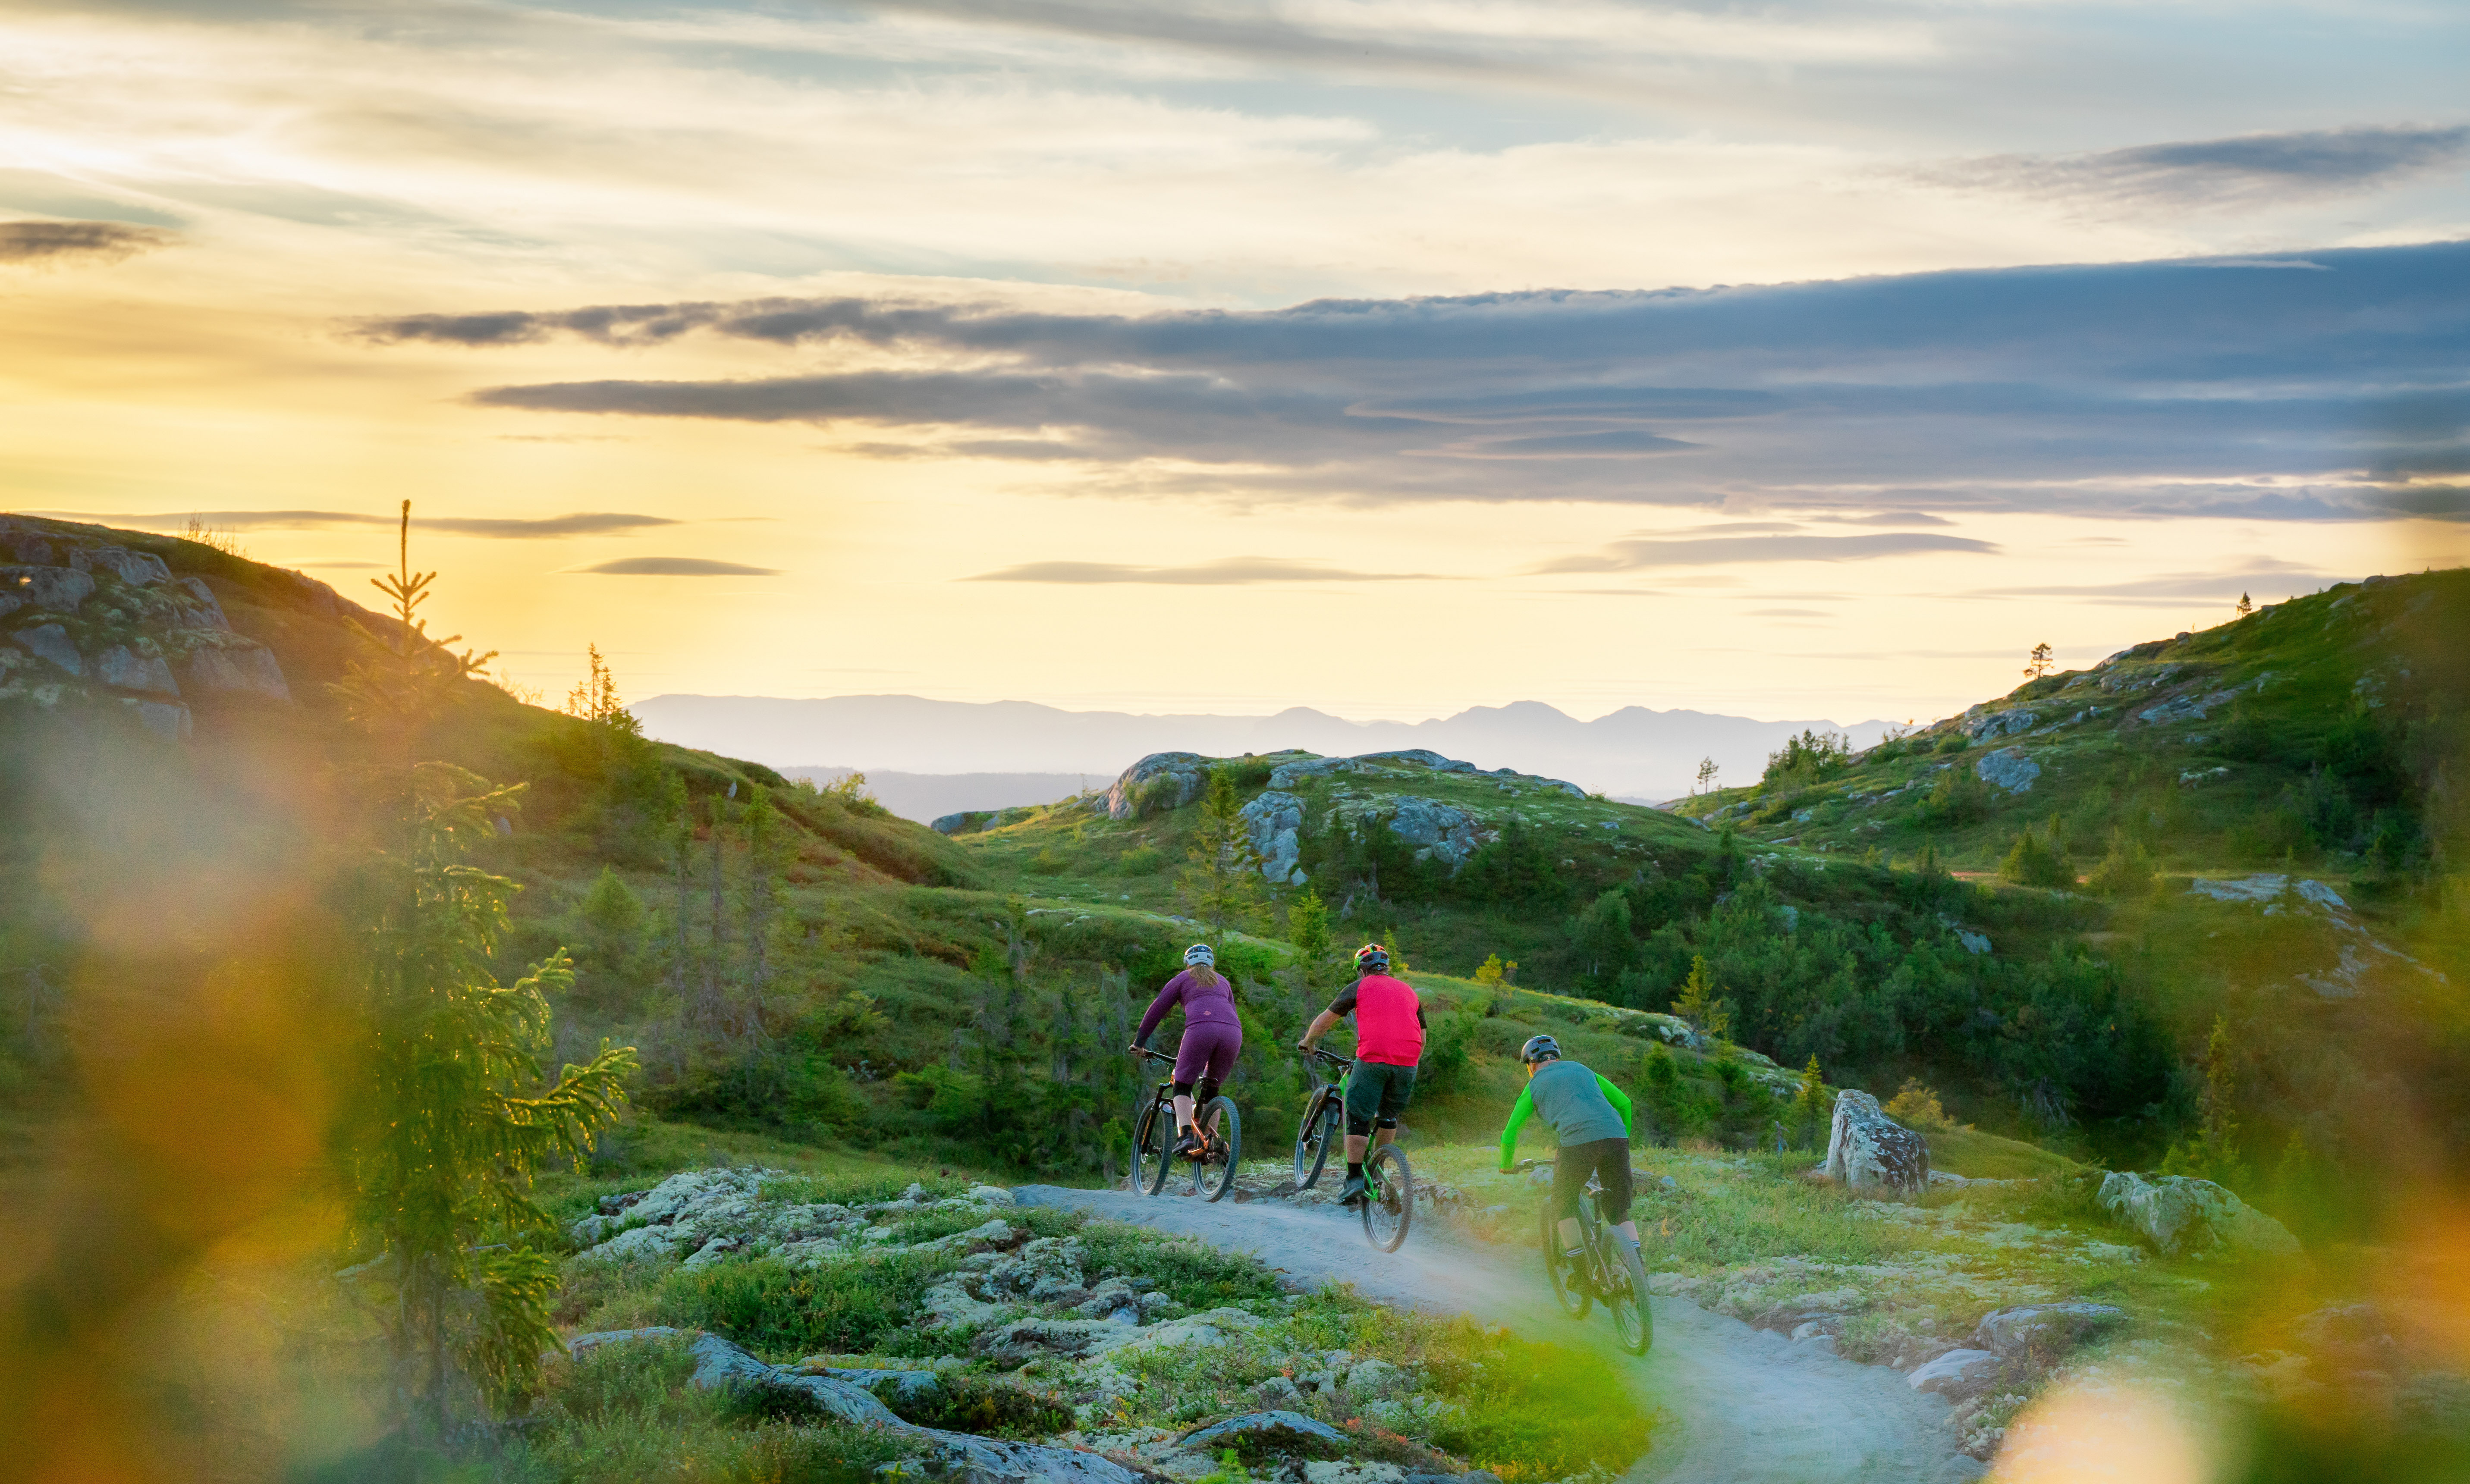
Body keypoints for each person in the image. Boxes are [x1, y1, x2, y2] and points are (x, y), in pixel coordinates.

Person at [1497, 1034, 1644, 1282]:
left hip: (1577, 1144)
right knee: (1619, 1211)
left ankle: (1582, 1277)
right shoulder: (1583, 1071)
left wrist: (1507, 1166)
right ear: (1556, 1058)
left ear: (1531, 1066)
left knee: (1563, 1206)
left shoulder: (1535, 1084)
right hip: (1616, 1138)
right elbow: (1625, 1103)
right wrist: (1620, 1138)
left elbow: (1509, 1135)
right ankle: (1638, 1271)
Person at [1296, 943, 1425, 1205]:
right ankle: (1377, 1169)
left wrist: (1309, 1042)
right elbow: (1422, 1034)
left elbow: (1325, 1020)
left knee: (1357, 1116)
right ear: (1386, 968)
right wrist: (1409, 1061)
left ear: (1362, 971)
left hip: (1373, 1058)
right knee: (1388, 1116)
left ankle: (1354, 1180)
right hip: (1409, 1061)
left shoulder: (1359, 987)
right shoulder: (1409, 991)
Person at [1129, 943, 1243, 1157]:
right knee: (1212, 1089)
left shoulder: (1183, 978)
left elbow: (1158, 1008)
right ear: (1211, 963)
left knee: (1182, 1085)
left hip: (1201, 1029)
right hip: (1233, 1033)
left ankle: (1185, 1136)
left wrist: (1140, 1041)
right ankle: (1211, 1143)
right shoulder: (1224, 982)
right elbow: (1231, 1014)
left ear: (1188, 963)